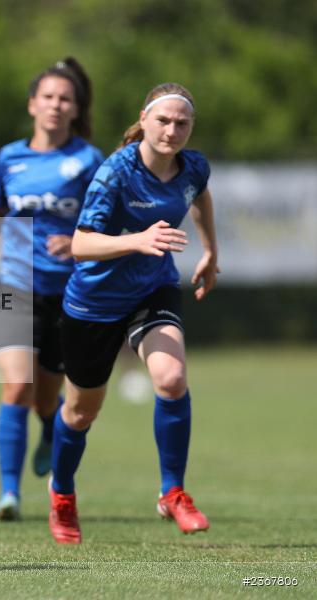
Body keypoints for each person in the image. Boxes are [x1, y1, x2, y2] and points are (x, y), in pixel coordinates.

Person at [47, 83, 218, 544]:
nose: (172, 130)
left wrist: (210, 252)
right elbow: (81, 244)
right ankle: (61, 494)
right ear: (144, 119)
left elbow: (199, 194)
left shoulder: (193, 166)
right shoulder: (115, 173)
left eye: (182, 123)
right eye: (163, 120)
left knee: (170, 378)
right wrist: (136, 240)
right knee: (81, 414)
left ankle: (173, 492)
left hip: (152, 289)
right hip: (93, 303)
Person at [0, 58, 103, 521]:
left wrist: (77, 243)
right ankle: (9, 494)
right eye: (49, 97)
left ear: (75, 109)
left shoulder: (89, 160)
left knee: (44, 397)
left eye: (65, 99)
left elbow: (101, 222)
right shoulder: (10, 156)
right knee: (16, 385)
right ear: (33, 103)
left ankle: (48, 424)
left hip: (69, 292)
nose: (56, 105)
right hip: (15, 282)